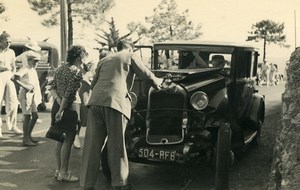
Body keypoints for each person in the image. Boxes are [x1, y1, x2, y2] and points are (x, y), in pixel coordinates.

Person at [80, 39, 162, 190]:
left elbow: (93, 84)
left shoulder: (105, 59)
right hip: (116, 103)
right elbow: (146, 74)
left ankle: (86, 184)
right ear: (131, 48)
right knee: (116, 145)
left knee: (91, 145)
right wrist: (159, 83)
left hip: (96, 102)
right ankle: (119, 183)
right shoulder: (130, 55)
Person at [49, 45, 88, 182]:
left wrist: (58, 102)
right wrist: (62, 109)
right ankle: (64, 173)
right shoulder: (76, 72)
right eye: (84, 56)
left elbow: (52, 87)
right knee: (69, 139)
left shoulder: (60, 69)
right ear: (79, 57)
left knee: (59, 138)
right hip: (70, 107)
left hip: (57, 104)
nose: (85, 59)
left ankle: (59, 170)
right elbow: (69, 93)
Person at [12, 51, 42, 146]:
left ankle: (28, 136)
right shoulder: (25, 68)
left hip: (32, 95)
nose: (36, 63)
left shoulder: (33, 69)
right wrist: (25, 87)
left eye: (37, 61)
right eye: (34, 61)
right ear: (29, 60)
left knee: (35, 116)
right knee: (27, 116)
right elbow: (14, 78)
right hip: (26, 95)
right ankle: (25, 139)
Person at [0, 31, 23, 138]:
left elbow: (13, 66)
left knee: (13, 101)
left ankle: (13, 125)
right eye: (6, 41)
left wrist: (13, 75)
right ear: (0, 42)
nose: (8, 43)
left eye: (10, 41)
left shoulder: (11, 52)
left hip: (9, 75)